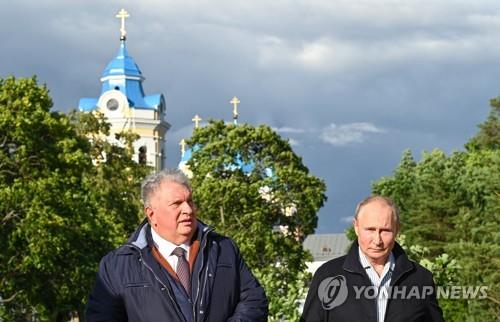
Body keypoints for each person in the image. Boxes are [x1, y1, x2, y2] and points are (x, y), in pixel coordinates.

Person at [86, 169, 268, 322]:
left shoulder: (223, 249)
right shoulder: (118, 265)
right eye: (177, 204)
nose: (188, 210)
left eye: (190, 201)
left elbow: (254, 301)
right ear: (151, 214)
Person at [301, 196, 444, 322]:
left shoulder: (420, 279)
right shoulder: (328, 276)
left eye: (385, 231)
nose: (377, 240)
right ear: (356, 227)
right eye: (370, 229)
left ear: (397, 229)